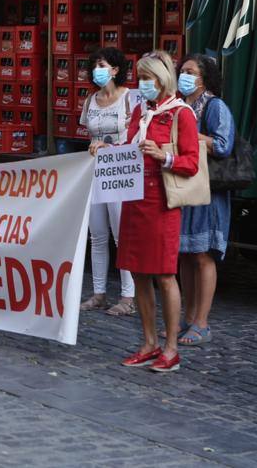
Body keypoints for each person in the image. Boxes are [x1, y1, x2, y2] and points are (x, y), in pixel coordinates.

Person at [111, 50, 200, 373]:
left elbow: (192, 162)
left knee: (164, 274)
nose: (142, 84)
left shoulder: (181, 114)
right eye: (141, 78)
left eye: (147, 78)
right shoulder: (142, 111)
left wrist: (164, 156)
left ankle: (170, 348)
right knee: (138, 272)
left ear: (162, 80)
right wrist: (108, 150)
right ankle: (149, 342)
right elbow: (128, 148)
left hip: (161, 201)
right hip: (134, 198)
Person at [176, 54, 235, 346]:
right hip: (184, 188)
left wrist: (190, 137)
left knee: (203, 255)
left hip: (208, 192)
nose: (184, 76)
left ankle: (202, 322)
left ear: (204, 77)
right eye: (182, 71)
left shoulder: (215, 106)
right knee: (185, 255)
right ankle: (186, 318)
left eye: (190, 71)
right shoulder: (180, 105)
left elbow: (223, 145)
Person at [80, 47, 137, 316]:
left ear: (115, 69)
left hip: (119, 171)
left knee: (121, 234)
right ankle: (99, 292)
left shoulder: (129, 98)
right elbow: (86, 133)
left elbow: (135, 136)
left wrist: (110, 146)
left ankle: (128, 295)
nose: (96, 69)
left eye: (101, 64)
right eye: (94, 65)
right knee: (97, 234)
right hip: (95, 171)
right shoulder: (90, 100)